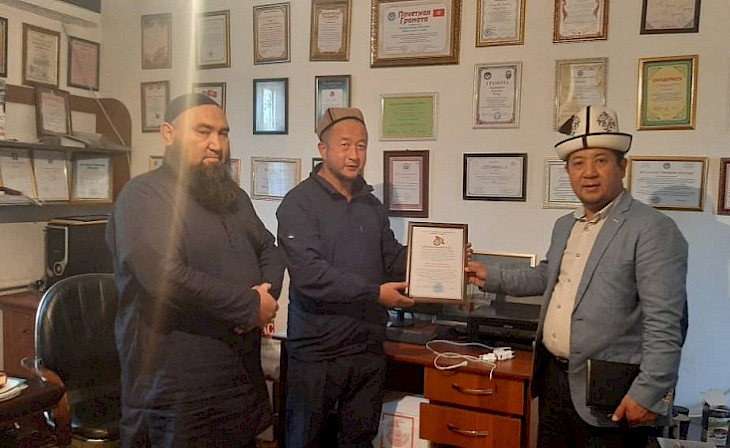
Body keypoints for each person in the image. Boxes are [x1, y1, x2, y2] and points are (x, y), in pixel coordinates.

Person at [466, 105, 688, 447]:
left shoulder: (653, 229)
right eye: (578, 163)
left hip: (611, 390)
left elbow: (666, 324)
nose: (589, 173)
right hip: (554, 381)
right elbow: (547, 277)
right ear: (568, 171)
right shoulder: (565, 225)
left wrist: (648, 393)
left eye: (601, 160)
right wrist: (489, 275)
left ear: (622, 167)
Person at [106, 93, 284, 448]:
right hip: (177, 388)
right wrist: (247, 306)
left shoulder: (233, 197)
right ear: (168, 134)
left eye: (223, 133)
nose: (216, 144)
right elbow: (165, 275)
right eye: (203, 131)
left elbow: (269, 247)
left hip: (238, 377)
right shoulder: (143, 195)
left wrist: (263, 297)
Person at [276, 107, 415, 448]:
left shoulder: (371, 205)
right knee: (305, 441)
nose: (354, 155)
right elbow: (312, 276)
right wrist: (375, 294)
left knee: (360, 440)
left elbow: (391, 257)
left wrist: (441, 261)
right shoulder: (298, 204)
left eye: (362, 146)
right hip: (317, 352)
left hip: (367, 348)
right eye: (345, 145)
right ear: (323, 150)